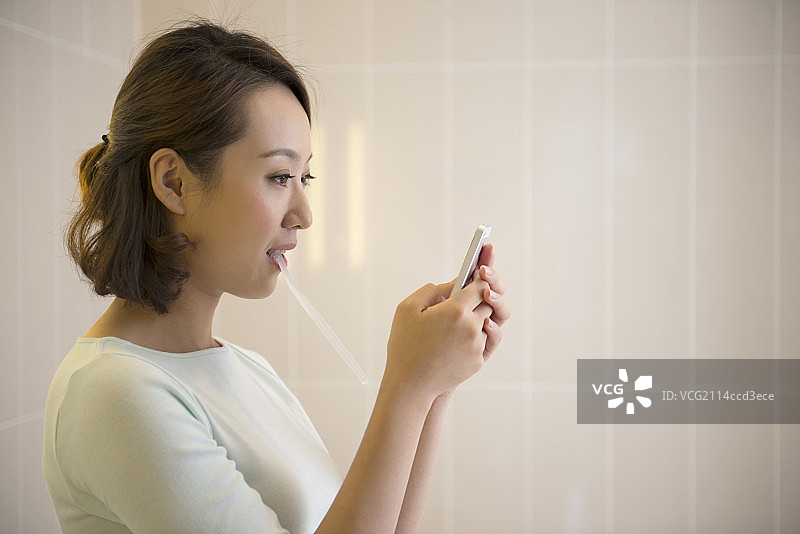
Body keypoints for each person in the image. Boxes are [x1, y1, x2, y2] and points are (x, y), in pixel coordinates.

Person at [43, 20, 509, 534]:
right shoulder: (114, 392)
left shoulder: (247, 370)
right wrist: (407, 386)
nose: (304, 214)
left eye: (303, 177)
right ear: (174, 182)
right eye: (280, 177)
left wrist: (436, 384)